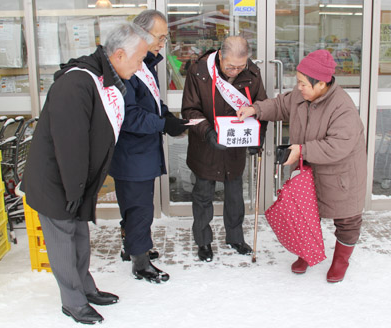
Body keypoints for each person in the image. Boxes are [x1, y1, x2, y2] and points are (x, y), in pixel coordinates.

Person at [20, 23, 151, 324]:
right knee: (63, 242)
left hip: (74, 180)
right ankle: (73, 302)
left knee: (79, 235)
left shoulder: (102, 78)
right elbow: (70, 143)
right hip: (58, 181)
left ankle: (86, 288)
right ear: (119, 54)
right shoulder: (77, 83)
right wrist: (75, 189)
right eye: (139, 58)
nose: (141, 65)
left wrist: (82, 188)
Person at [237, 49, 367, 283]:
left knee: (347, 221)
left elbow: (339, 145)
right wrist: (255, 110)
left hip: (340, 175)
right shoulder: (301, 96)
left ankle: (340, 261)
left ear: (322, 84)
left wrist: (302, 150)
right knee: (304, 214)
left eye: (303, 83)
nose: (298, 87)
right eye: (298, 82)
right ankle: (305, 253)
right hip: (308, 170)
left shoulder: (342, 108)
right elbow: (280, 105)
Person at [109, 10, 188, 283]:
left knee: (137, 205)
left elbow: (152, 101)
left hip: (143, 150)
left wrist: (168, 117)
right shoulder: (127, 66)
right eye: (160, 37)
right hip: (131, 152)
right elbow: (129, 115)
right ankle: (140, 262)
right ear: (141, 33)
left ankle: (132, 245)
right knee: (139, 207)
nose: (162, 43)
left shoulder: (146, 64)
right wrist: (163, 124)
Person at [181, 36, 267, 262]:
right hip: (205, 146)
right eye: (230, 66)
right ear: (220, 55)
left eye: (240, 66)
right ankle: (203, 241)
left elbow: (262, 107)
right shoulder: (199, 71)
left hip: (235, 148)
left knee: (235, 195)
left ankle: (235, 237)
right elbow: (189, 110)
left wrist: (258, 137)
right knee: (202, 195)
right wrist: (208, 132)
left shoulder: (252, 73)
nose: (235, 71)